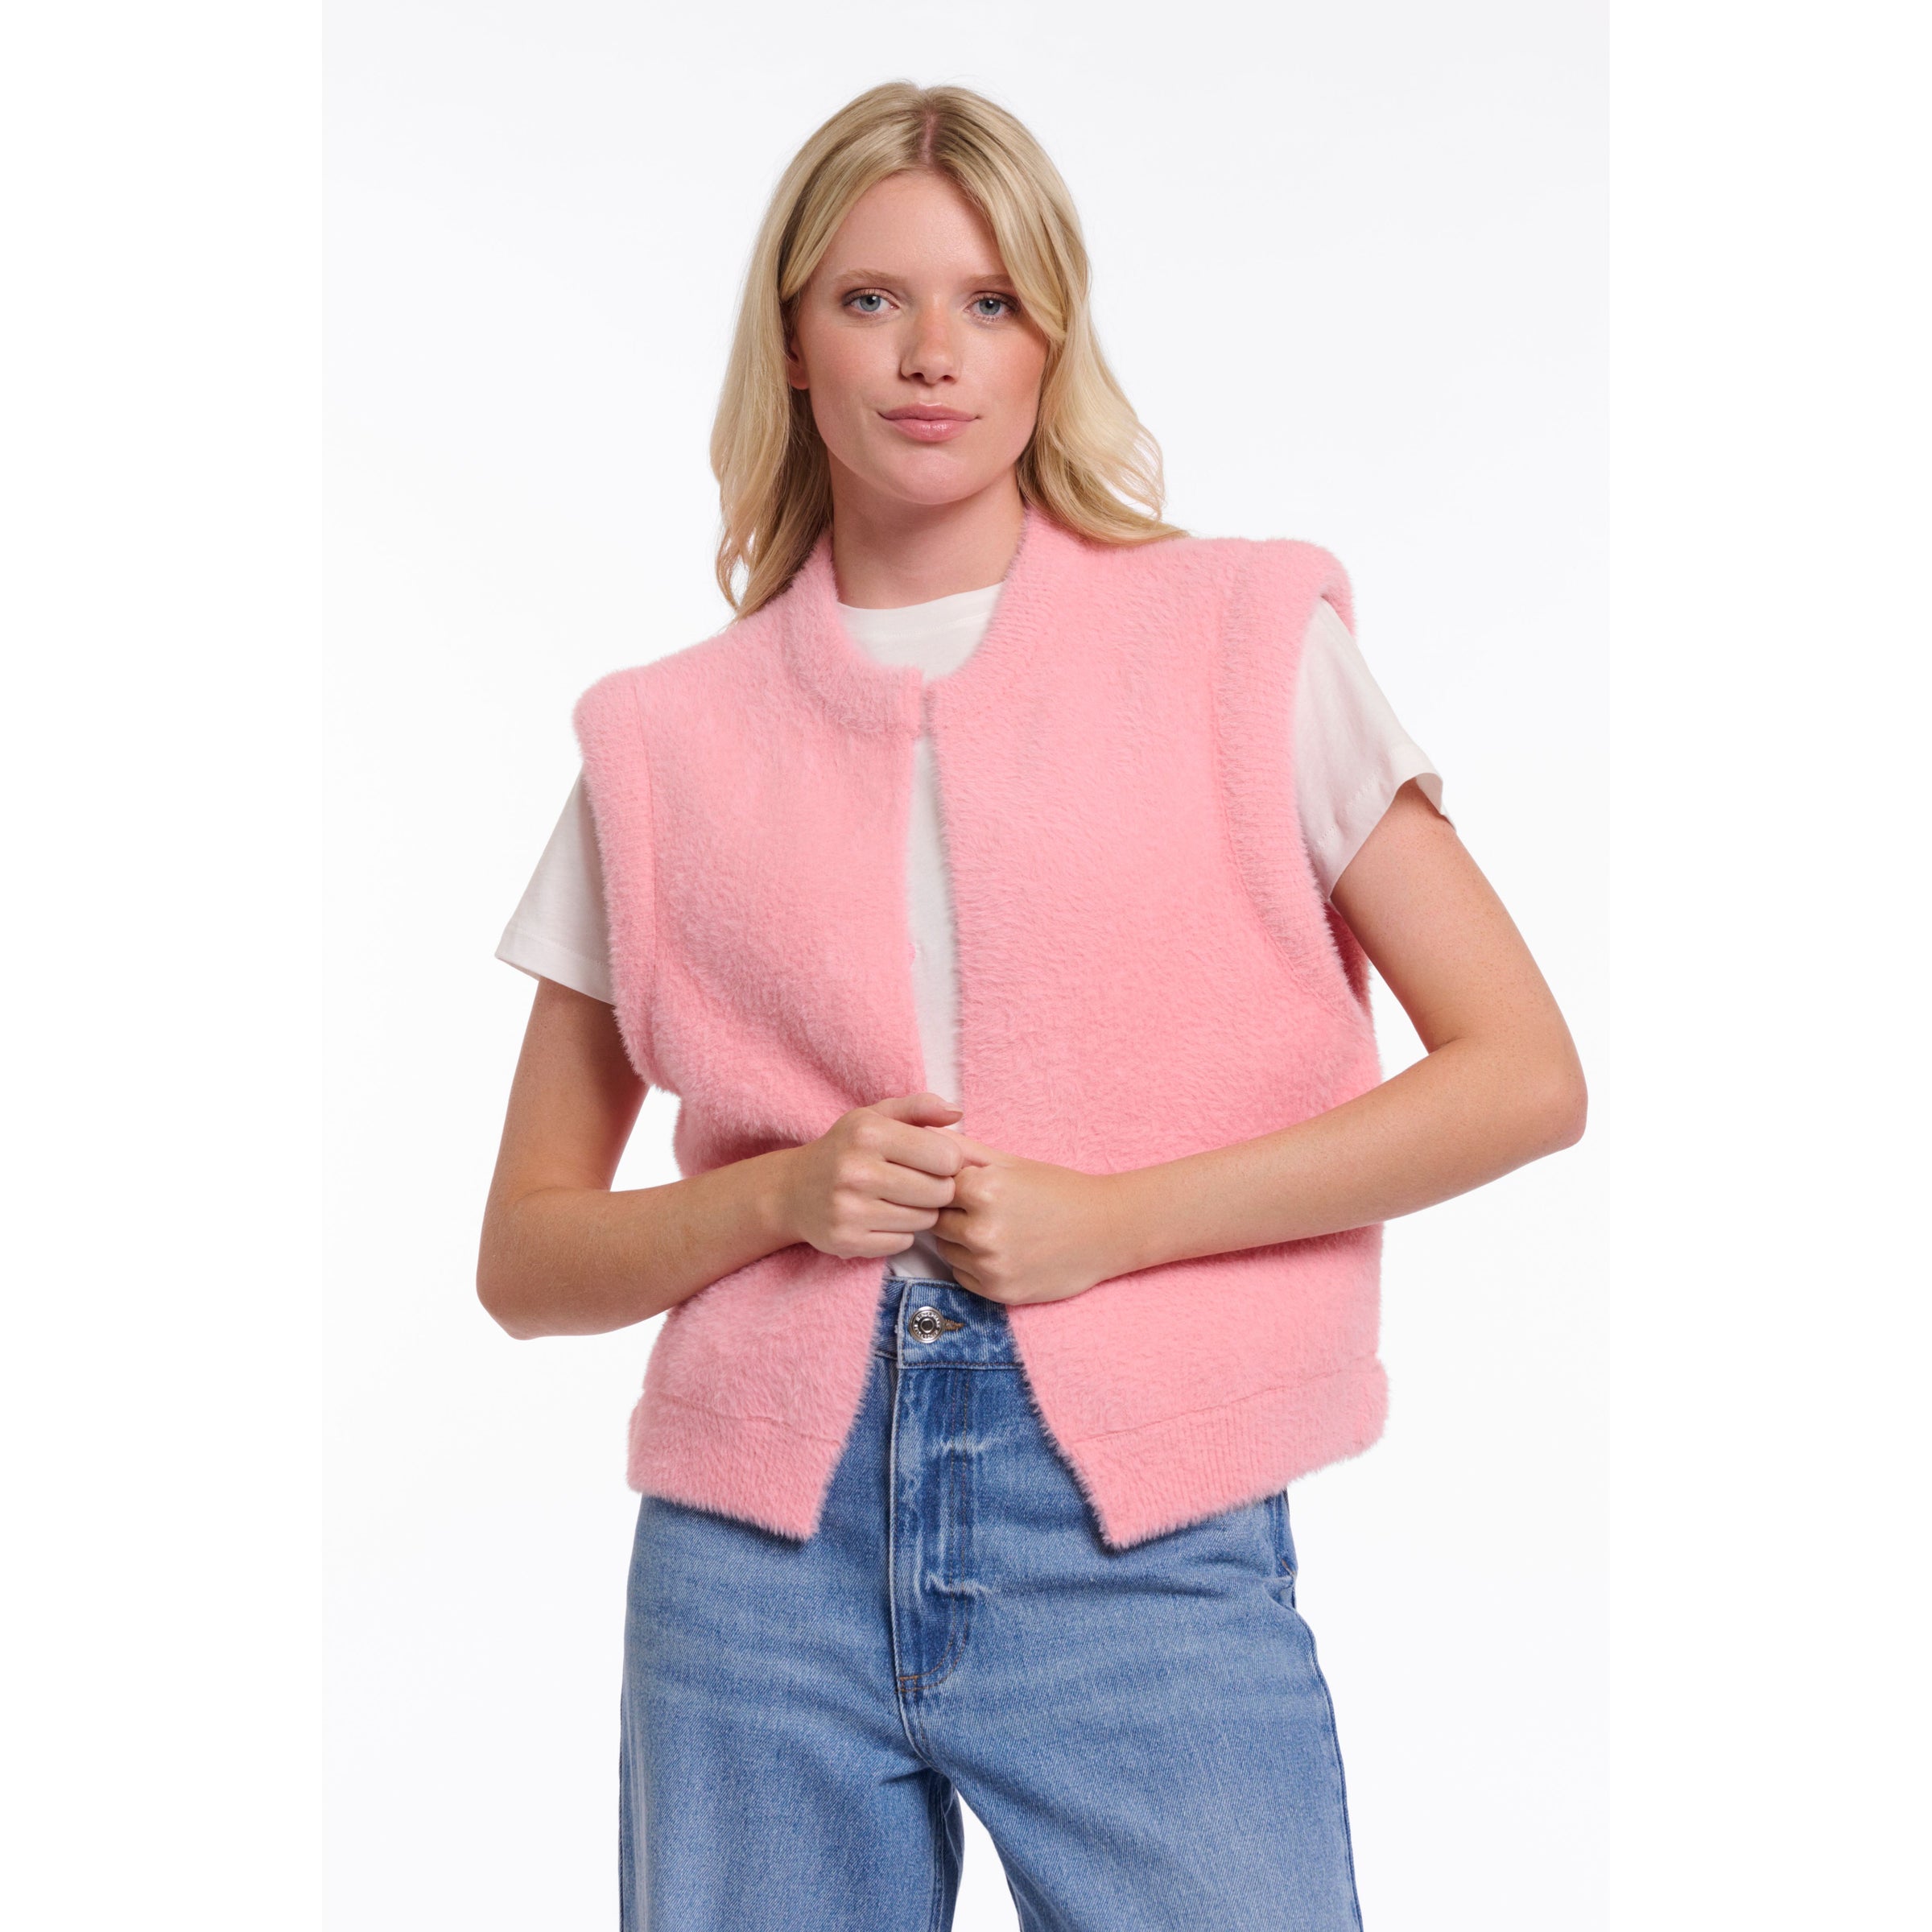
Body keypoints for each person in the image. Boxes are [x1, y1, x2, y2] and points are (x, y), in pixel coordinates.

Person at [479, 79, 1585, 1932]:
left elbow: (1524, 1074)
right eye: (873, 299)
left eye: (989, 302)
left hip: (1139, 1537)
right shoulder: (660, 747)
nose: (934, 354)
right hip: (756, 1569)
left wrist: (1116, 1221)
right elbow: (527, 1259)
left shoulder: (1243, 646)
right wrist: (780, 1197)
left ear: (1051, 338)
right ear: (793, 339)